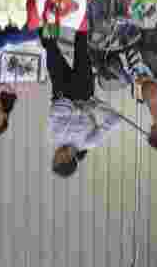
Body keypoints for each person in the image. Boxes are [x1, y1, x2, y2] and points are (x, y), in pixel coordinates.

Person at [44, 29, 121, 178]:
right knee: (82, 45)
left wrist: (77, 110)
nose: (55, 155)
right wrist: (96, 106)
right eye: (56, 159)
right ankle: (83, 14)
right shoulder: (88, 142)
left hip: (61, 91)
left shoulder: (54, 137)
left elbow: (54, 112)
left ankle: (47, 19)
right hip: (83, 91)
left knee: (50, 47)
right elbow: (115, 120)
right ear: (66, 160)